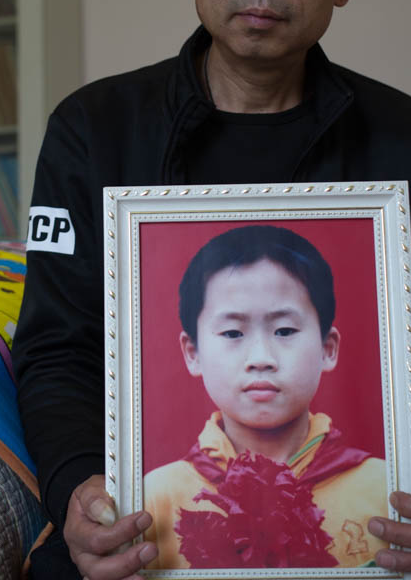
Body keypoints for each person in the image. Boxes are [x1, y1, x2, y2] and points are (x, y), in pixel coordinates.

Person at [12, 0, 411, 580]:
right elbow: (57, 354)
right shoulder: (93, 130)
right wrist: (79, 488)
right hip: (147, 517)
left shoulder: (403, 134)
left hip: (378, 519)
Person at [142, 225, 388, 570]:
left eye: (284, 330)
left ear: (328, 348)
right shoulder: (153, 498)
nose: (260, 358)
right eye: (232, 332)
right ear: (193, 353)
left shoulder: (386, 489)